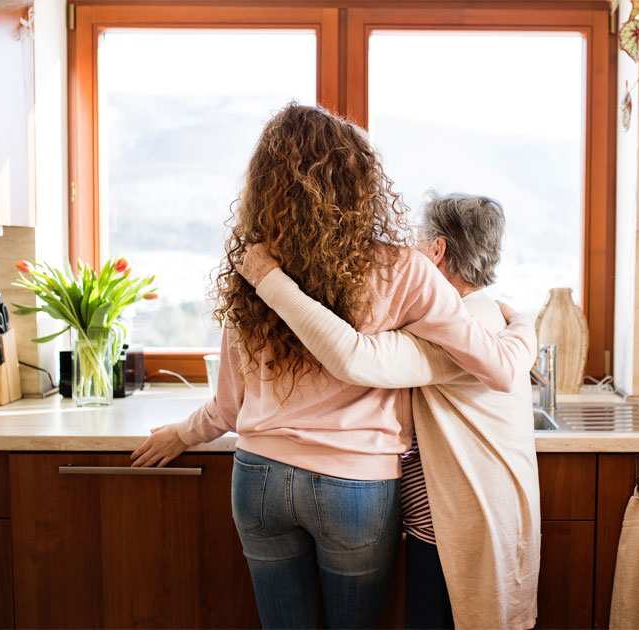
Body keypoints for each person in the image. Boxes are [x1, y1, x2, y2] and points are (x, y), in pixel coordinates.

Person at [129, 104, 537, 629]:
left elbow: (230, 406)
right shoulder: (403, 270)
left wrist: (183, 434)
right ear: (360, 183)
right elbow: (495, 366)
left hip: (259, 478)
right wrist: (523, 322)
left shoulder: (255, 269)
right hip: (356, 486)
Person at [241, 192, 541, 629]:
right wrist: (527, 326)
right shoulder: (492, 317)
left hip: (452, 536)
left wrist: (270, 279)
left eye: (417, 241)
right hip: (473, 525)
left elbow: (353, 356)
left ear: (436, 250)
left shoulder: (452, 336)